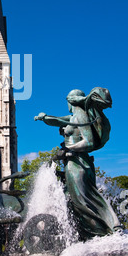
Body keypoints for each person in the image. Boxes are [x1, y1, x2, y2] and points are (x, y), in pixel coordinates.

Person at [34, 87, 121, 239]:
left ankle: (104, 232)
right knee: (80, 198)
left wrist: (68, 149)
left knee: (82, 201)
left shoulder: (81, 117)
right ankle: (93, 232)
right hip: (74, 162)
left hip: (78, 163)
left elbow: (88, 142)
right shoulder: (74, 117)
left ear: (71, 101)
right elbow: (58, 120)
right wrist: (45, 118)